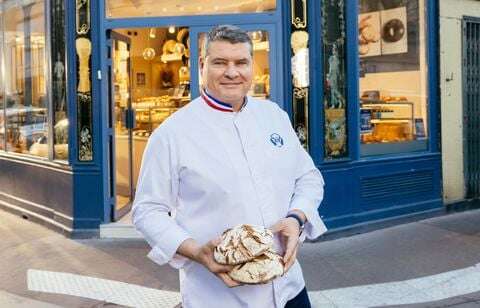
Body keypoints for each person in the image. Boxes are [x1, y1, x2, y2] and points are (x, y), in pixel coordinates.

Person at [133, 25, 327, 308]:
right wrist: (197, 251)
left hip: (289, 288)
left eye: (241, 63)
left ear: (252, 65)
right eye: (220, 62)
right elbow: (147, 210)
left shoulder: (274, 116)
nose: (232, 72)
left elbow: (308, 178)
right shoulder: (172, 133)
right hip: (218, 297)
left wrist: (297, 219)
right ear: (202, 66)